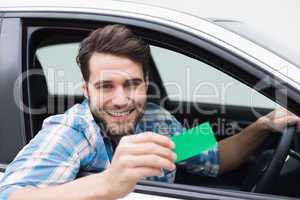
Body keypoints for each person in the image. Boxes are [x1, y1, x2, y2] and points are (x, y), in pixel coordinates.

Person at [0, 24, 299, 200]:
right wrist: (107, 183)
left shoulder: (156, 119)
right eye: (106, 86)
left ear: (146, 84)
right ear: (86, 90)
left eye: (132, 84)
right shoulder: (72, 132)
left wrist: (262, 126)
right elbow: (10, 195)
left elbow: (216, 158)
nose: (121, 100)